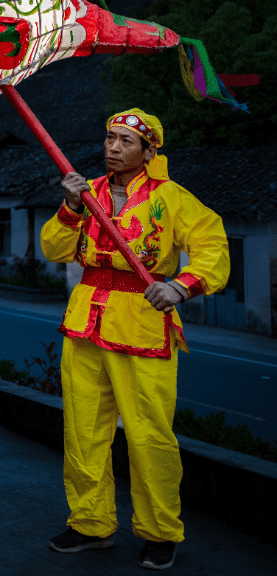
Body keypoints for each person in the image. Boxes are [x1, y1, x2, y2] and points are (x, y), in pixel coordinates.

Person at [41, 109, 229, 571]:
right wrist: (71, 209)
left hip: (143, 322)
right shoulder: (87, 194)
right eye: (109, 138)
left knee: (149, 436)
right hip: (85, 320)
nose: (113, 147)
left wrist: (181, 285)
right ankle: (90, 524)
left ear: (149, 152)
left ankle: (161, 531)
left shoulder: (171, 198)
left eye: (126, 141)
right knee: (83, 432)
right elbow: (54, 249)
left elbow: (213, 245)